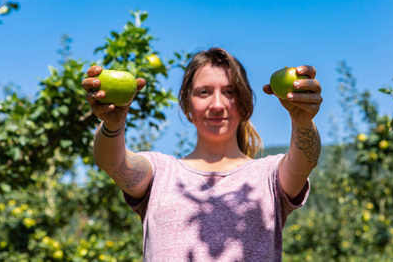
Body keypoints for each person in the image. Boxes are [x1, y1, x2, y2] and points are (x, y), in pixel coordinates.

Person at [82, 47, 323, 261]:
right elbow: (111, 161)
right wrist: (113, 125)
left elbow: (305, 161)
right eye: (204, 92)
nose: (217, 104)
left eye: (229, 92)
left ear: (245, 103)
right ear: (187, 105)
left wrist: (302, 122)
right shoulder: (161, 171)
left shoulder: (269, 174)